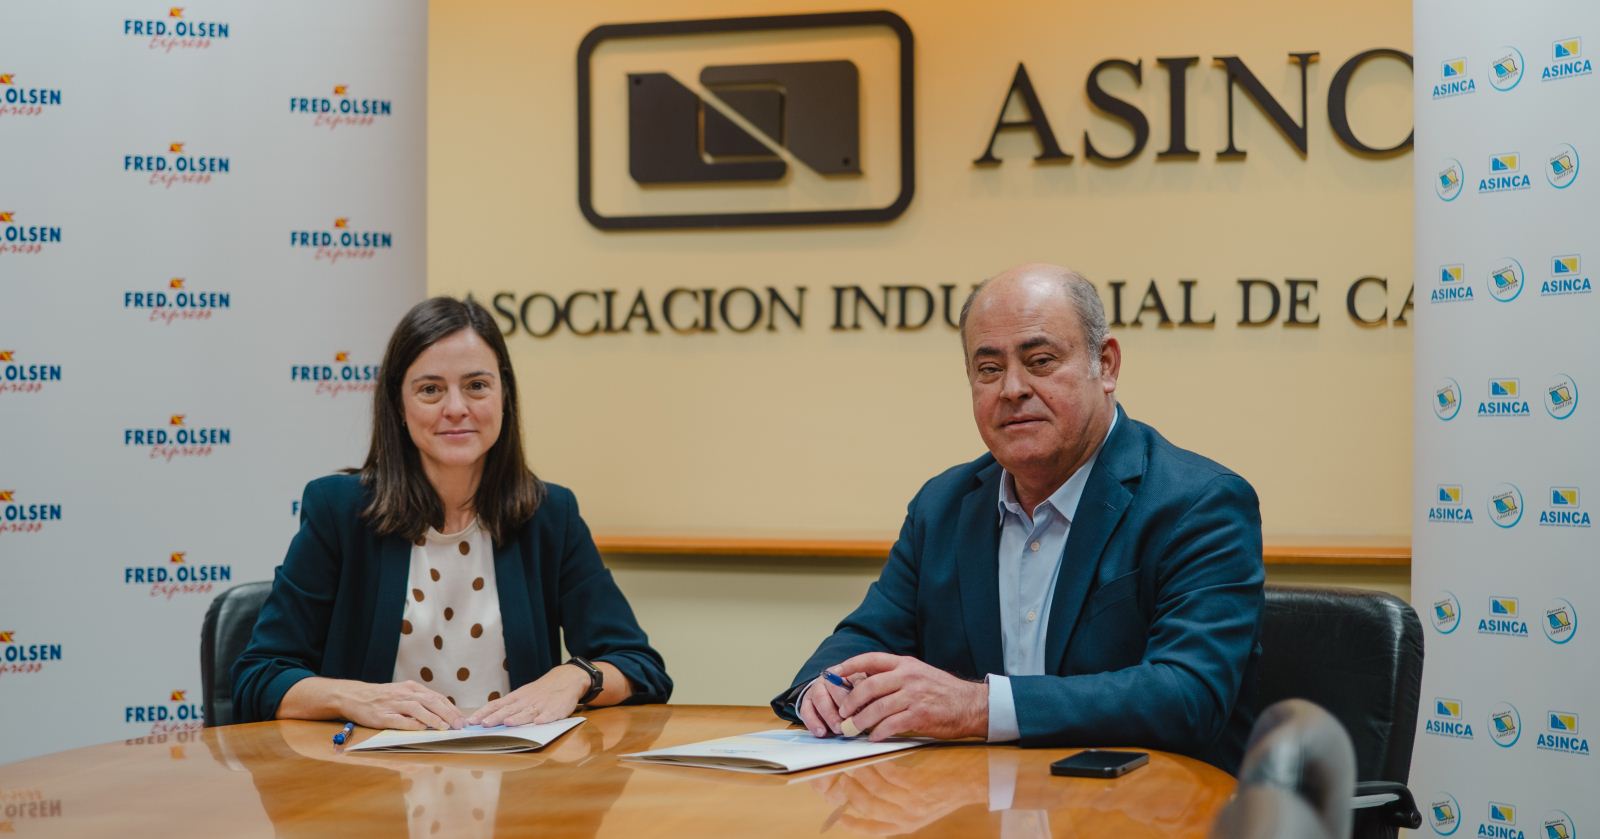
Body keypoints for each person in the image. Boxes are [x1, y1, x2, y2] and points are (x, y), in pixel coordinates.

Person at [772, 263, 1263, 772]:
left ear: (1106, 365)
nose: (1012, 388)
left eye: (1040, 361)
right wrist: (823, 691)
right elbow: (862, 640)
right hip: (972, 801)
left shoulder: (1198, 503)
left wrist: (978, 707)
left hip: (1142, 801)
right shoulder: (943, 506)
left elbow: (1188, 695)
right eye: (989, 369)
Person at [234, 297, 670, 730]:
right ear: (399, 406)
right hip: (373, 770)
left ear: (504, 397)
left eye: (476, 385)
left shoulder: (550, 515)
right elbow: (259, 677)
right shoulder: (339, 511)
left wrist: (574, 677)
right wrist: (354, 697)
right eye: (430, 389)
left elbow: (639, 665)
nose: (457, 408)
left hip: (520, 770)